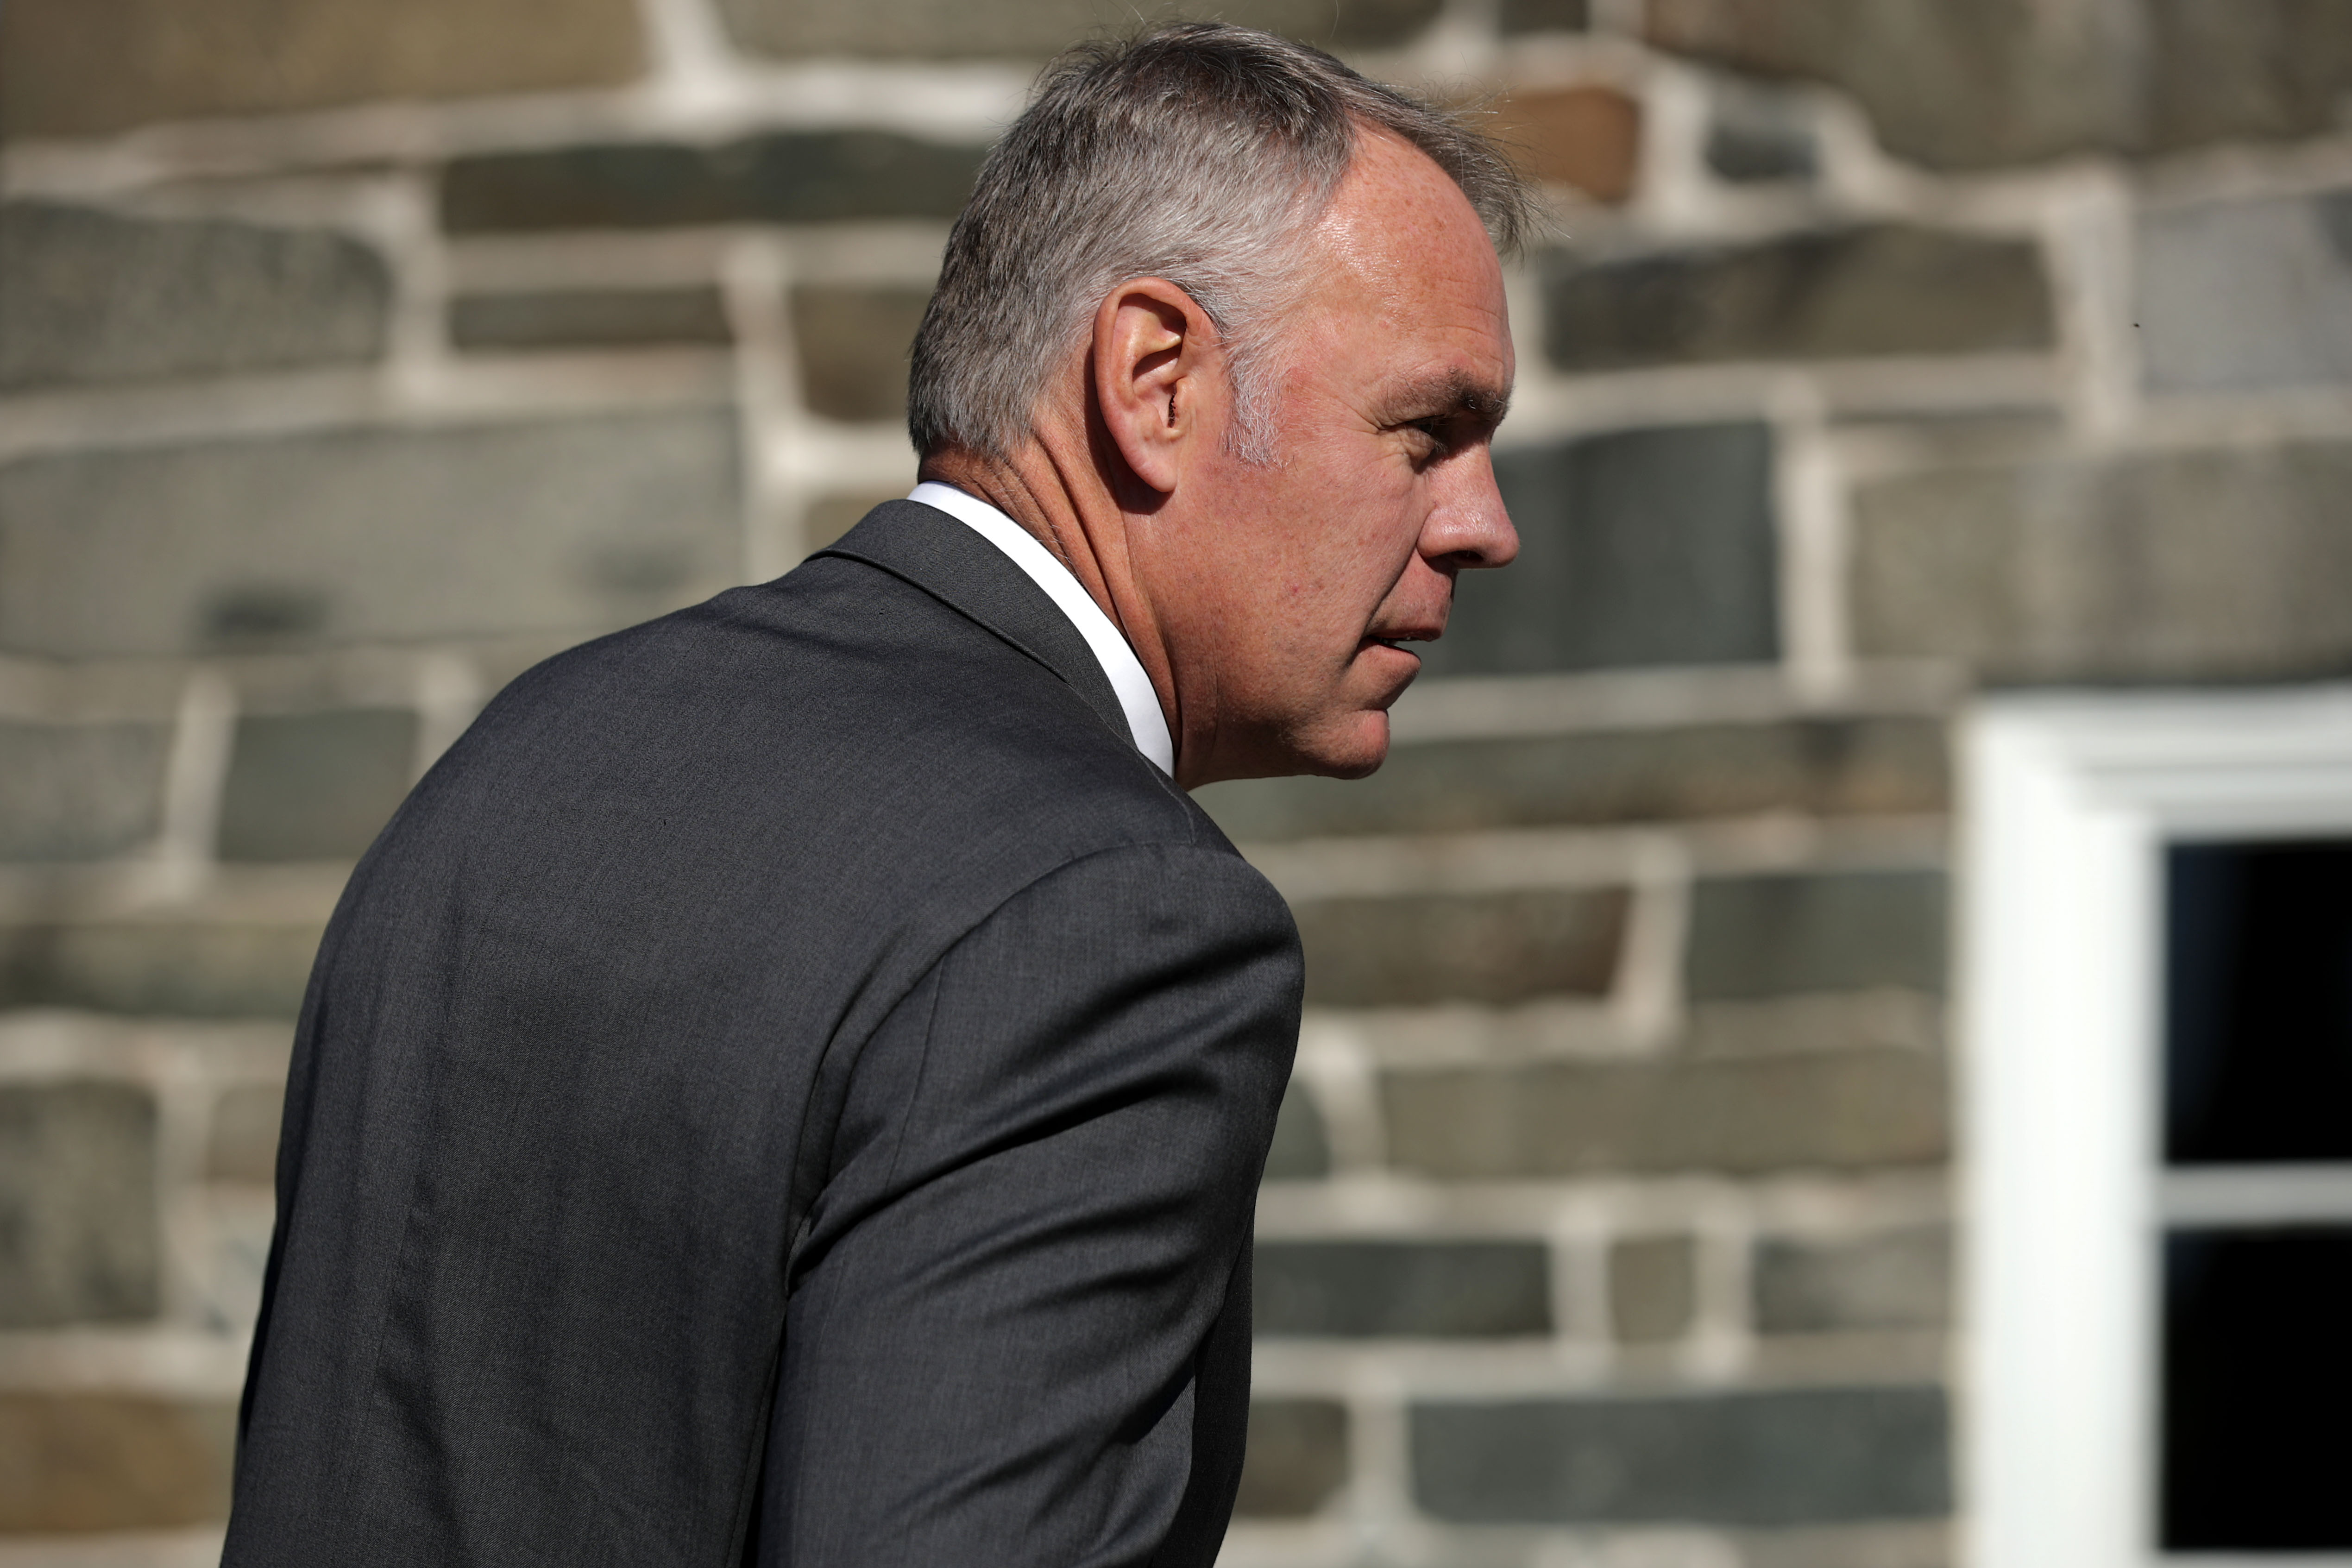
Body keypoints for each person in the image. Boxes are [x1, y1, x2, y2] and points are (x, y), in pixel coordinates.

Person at [223, 22, 1528, 1566]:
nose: (1485, 525)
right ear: (1156, 378)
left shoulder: (530, 758)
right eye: (1425, 432)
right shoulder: (1109, 914)